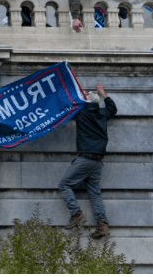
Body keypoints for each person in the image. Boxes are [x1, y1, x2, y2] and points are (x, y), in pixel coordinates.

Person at [58, 84, 117, 239]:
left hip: (85, 158)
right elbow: (113, 108)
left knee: (64, 185)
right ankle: (102, 224)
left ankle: (76, 214)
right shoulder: (103, 113)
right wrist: (104, 94)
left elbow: (67, 107)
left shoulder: (81, 113)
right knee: (94, 193)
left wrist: (78, 95)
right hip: (98, 161)